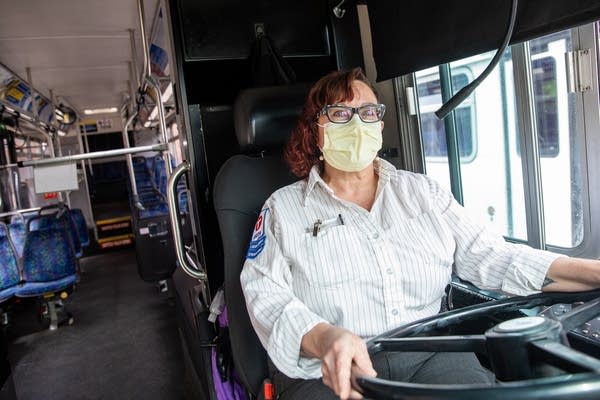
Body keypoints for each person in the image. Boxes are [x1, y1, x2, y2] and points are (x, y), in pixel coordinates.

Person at [240, 68, 600, 400]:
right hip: (327, 370)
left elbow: (492, 255)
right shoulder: (282, 209)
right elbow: (264, 293)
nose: (356, 124)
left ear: (379, 125)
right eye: (339, 113)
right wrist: (323, 337)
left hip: (429, 356)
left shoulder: (423, 193)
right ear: (315, 129)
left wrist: (590, 271)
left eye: (367, 112)